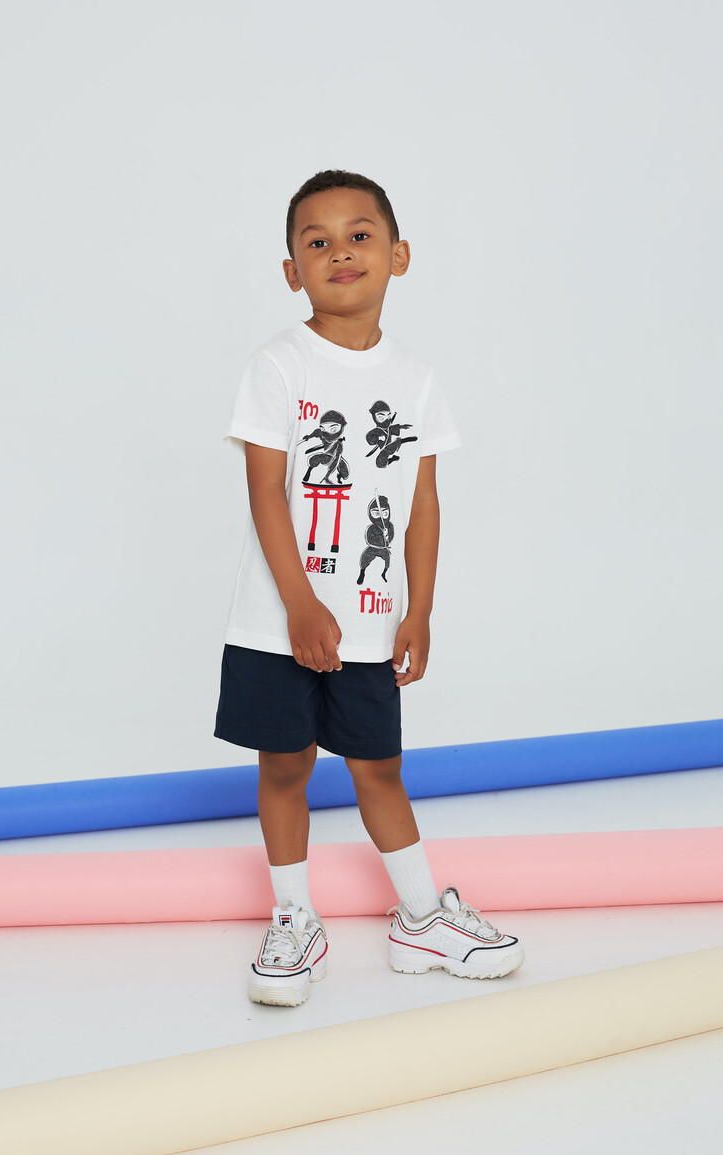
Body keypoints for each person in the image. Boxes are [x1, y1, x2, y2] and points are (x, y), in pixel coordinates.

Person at [215, 169, 524, 1006]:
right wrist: (300, 605)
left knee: (379, 766)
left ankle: (421, 918)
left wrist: (419, 608)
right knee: (286, 764)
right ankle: (294, 920)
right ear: (293, 271)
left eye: (359, 235)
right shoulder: (278, 365)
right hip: (278, 620)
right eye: (317, 242)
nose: (340, 252)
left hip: (370, 621)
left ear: (399, 254)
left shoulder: (415, 378)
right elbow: (265, 493)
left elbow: (421, 503)